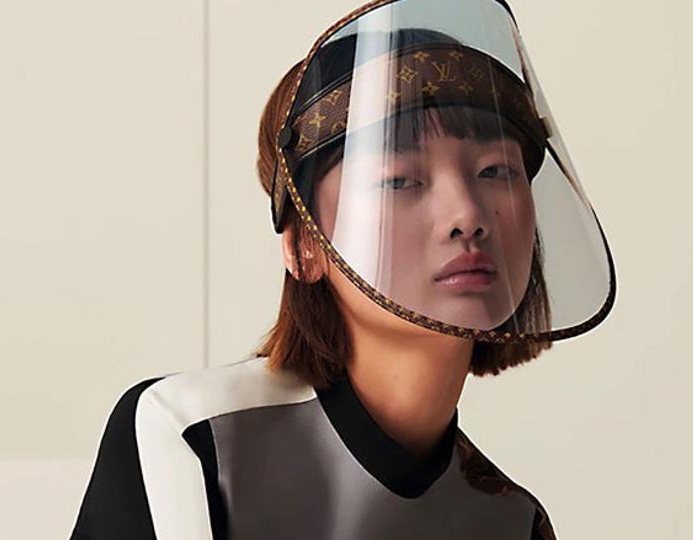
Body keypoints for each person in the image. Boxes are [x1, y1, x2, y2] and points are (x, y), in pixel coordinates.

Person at [70, 1, 616, 539]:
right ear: (304, 245)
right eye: (399, 180)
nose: (467, 216)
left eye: (495, 171)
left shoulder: (510, 522)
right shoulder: (194, 435)